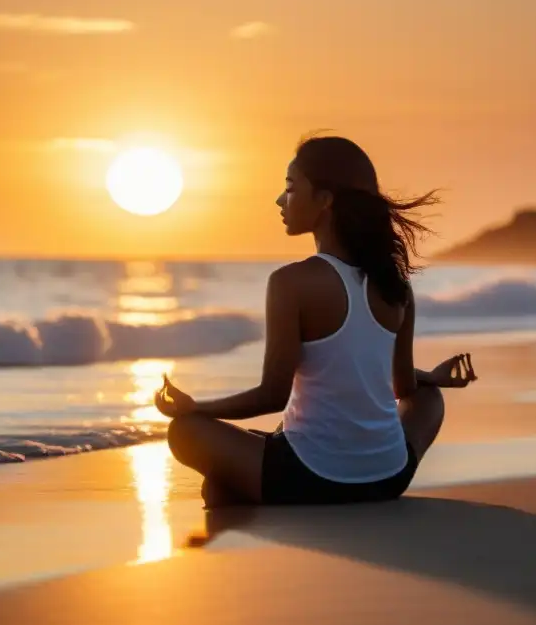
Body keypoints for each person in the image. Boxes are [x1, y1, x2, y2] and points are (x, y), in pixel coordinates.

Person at [154, 135, 477, 507]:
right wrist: (430, 378)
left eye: (290, 188)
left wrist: (197, 408)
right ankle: (248, 473)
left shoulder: (290, 283)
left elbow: (273, 395)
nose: (280, 200)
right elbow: (403, 386)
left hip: (306, 479)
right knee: (429, 399)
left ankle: (240, 480)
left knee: (186, 431)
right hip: (388, 477)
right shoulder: (396, 286)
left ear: (325, 200)